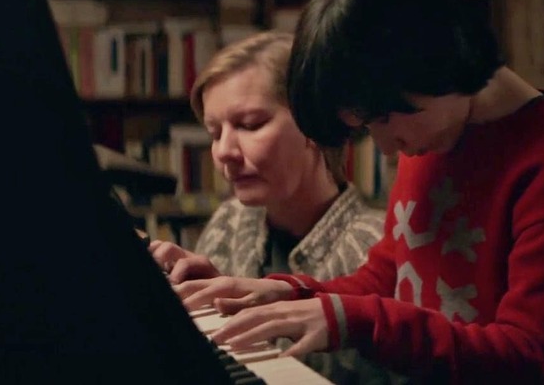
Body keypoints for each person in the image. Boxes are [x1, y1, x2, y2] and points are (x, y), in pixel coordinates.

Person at [174, 0, 544, 384]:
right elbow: (393, 274)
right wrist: (290, 294)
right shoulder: (435, 129)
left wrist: (349, 320)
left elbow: (530, 358)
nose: (386, 147)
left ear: (434, 63)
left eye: (383, 119)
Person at [146, 31, 397, 384]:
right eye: (215, 132)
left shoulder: (380, 245)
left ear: (313, 123)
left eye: (250, 125)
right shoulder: (231, 220)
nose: (223, 152)